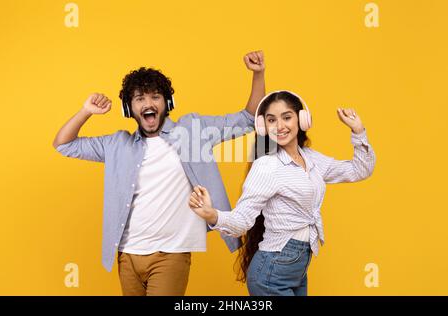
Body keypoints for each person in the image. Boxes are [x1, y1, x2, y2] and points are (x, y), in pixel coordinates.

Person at [53, 51, 266, 296]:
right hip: (128, 255)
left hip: (171, 254)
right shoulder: (117, 145)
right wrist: (86, 111)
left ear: (167, 103)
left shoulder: (193, 130)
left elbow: (249, 118)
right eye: (139, 99)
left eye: (155, 97)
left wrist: (258, 73)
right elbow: (64, 144)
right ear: (129, 108)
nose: (148, 104)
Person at [188, 90, 376, 296]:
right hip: (271, 274)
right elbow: (243, 219)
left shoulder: (312, 160)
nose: (280, 126)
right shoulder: (267, 166)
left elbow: (360, 170)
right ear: (263, 126)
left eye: (286, 117)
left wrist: (358, 132)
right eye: (271, 120)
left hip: (296, 270)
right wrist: (212, 214)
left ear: (302, 119)